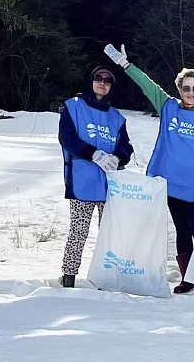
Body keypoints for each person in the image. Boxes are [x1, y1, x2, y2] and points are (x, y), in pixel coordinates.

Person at [104, 44, 194, 295]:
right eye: (186, 88)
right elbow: (148, 85)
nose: (191, 92)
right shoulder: (168, 107)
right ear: (179, 90)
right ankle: (187, 277)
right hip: (171, 182)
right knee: (182, 230)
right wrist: (126, 65)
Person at [58, 65, 134, 288]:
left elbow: (125, 146)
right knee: (78, 231)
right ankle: (69, 275)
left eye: (107, 81)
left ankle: (106, 276)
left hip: (109, 185)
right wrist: (93, 154)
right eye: (98, 78)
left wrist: (118, 158)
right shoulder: (73, 107)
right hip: (82, 181)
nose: (102, 83)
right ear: (90, 81)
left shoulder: (116, 118)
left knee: (108, 235)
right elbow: (67, 138)